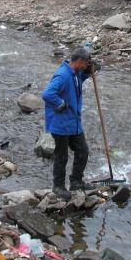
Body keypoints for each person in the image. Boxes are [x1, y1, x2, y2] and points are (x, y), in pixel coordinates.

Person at [41, 48, 99, 200]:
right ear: (79, 61)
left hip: (73, 122)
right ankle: (58, 186)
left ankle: (76, 182)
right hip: (61, 123)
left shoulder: (74, 73)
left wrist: (89, 71)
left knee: (83, 151)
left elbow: (79, 79)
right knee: (62, 156)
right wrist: (60, 103)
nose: (86, 66)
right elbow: (47, 94)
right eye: (85, 64)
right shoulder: (62, 75)